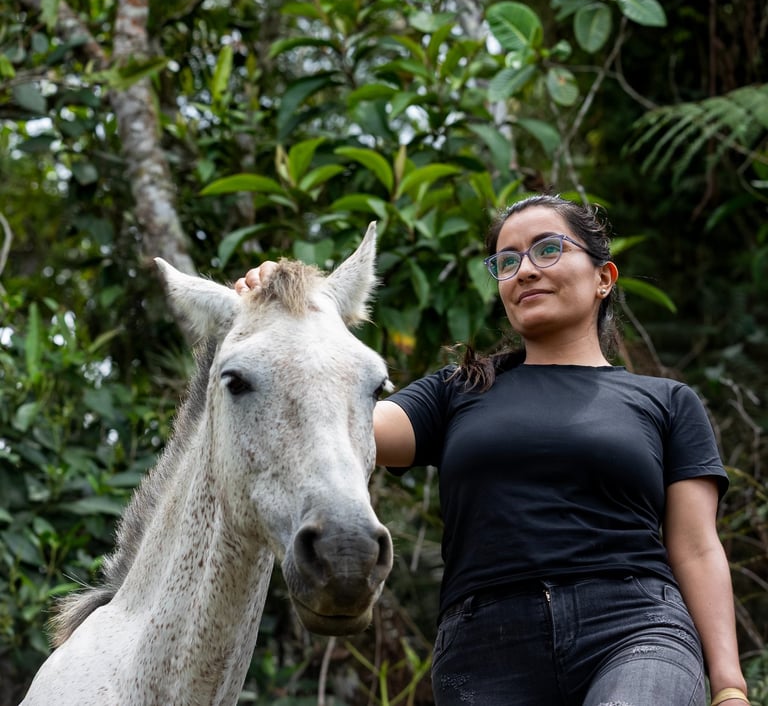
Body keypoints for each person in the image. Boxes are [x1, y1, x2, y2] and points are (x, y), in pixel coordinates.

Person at [234, 193, 749, 706]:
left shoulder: (667, 402)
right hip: (486, 646)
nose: (525, 270)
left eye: (548, 249)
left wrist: (729, 686)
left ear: (603, 278)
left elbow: (697, 548)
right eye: (507, 261)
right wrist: (289, 317)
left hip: (634, 627)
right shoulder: (457, 391)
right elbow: (337, 424)